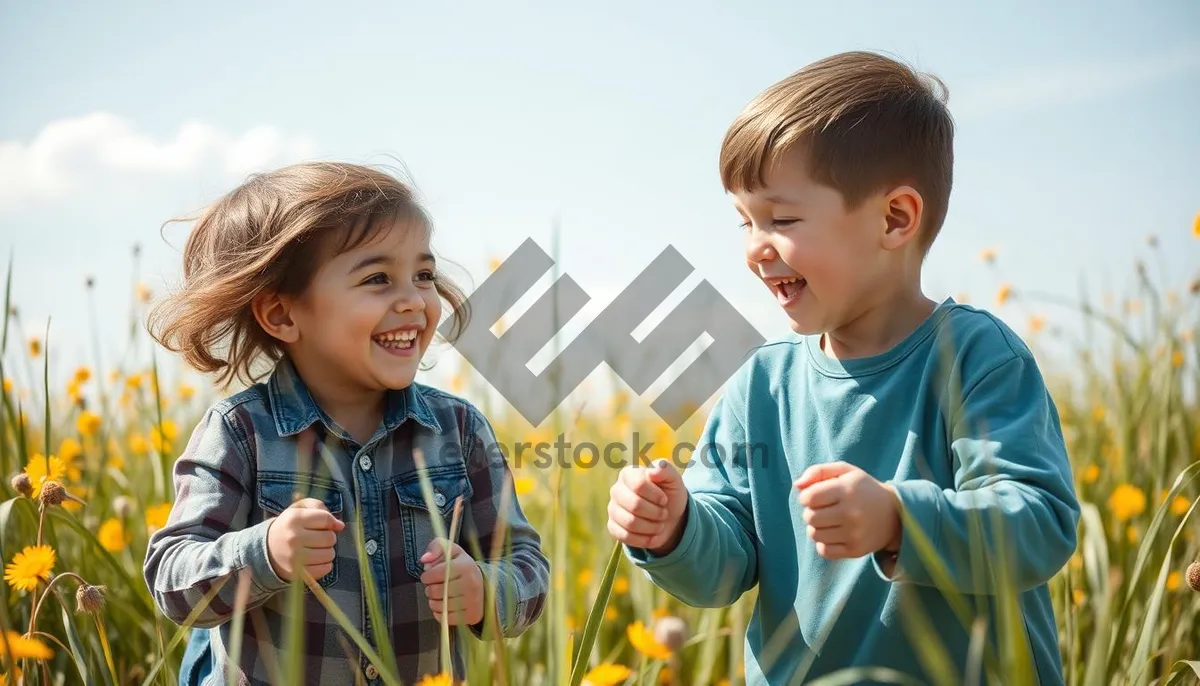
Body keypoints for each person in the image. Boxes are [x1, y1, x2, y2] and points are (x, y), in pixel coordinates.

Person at [606, 51, 1079, 684]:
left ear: (894, 219)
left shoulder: (974, 359)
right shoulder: (762, 386)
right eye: (745, 222)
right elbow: (724, 566)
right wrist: (676, 528)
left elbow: (1039, 523)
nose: (754, 248)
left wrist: (896, 520)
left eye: (783, 219)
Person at [143, 161, 550, 685]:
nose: (413, 300)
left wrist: (484, 591)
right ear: (282, 316)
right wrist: (264, 552)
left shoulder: (459, 430)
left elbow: (526, 565)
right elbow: (173, 580)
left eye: (423, 275)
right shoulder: (241, 432)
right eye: (377, 278)